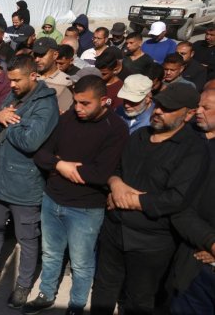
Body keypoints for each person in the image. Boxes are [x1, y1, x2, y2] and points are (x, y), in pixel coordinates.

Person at [90, 83, 207, 315]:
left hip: (150, 244)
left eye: (168, 108)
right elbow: (116, 170)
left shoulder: (193, 150)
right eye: (159, 104)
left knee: (138, 301)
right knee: (103, 290)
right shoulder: (140, 136)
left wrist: (130, 200)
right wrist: (116, 185)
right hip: (114, 231)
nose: (158, 111)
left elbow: (175, 199)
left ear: (189, 114)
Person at [25, 75, 128, 315]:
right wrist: (61, 166)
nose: (78, 108)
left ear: (104, 100)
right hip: (52, 199)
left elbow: (101, 173)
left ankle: (76, 305)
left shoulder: (117, 129)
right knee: (50, 254)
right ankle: (46, 294)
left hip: (86, 209)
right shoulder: (68, 118)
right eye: (76, 102)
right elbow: (42, 154)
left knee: (81, 263)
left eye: (85, 103)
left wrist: (59, 163)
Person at [0, 55, 59, 310]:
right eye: (10, 80)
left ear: (33, 76)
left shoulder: (46, 105)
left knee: (27, 238)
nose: (13, 85)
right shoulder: (14, 97)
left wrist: (8, 122)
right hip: (0, 174)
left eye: (17, 80)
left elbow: (31, 141)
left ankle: (23, 285)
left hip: (25, 183)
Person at [169, 88, 215, 314]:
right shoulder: (184, 137)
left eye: (206, 108)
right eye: (198, 106)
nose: (198, 112)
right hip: (186, 250)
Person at [33, 37, 73, 112]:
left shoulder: (65, 81)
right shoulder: (29, 76)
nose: (37, 59)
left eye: (42, 55)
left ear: (55, 55)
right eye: (35, 55)